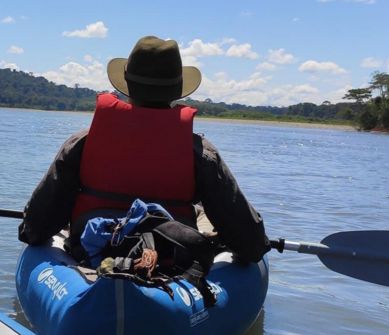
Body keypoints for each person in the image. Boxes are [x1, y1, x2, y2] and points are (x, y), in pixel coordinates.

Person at [18, 35, 269, 263]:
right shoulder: (201, 153)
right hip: (170, 257)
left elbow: (36, 228)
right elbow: (250, 243)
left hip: (89, 254)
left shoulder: (82, 143)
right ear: (177, 91)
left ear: (126, 83)